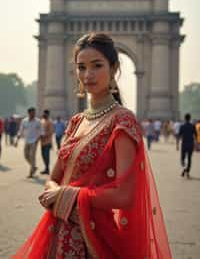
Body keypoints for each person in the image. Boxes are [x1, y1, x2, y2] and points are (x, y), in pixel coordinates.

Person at [13, 33, 172, 258]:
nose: (88, 75)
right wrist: (54, 192)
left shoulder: (123, 121)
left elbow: (125, 195)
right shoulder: (77, 121)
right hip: (56, 235)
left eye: (97, 66)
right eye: (81, 67)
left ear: (114, 68)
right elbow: (54, 178)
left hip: (94, 240)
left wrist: (69, 195)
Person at [15, 107, 43, 178]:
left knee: (32, 156)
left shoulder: (38, 121)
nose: (34, 114)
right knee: (26, 156)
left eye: (34, 112)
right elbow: (20, 131)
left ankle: (31, 173)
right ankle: (33, 166)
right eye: (32, 112)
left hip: (34, 141)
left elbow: (41, 132)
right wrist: (16, 141)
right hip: (27, 141)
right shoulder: (24, 121)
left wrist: (38, 140)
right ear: (29, 113)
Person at [178, 113, 197, 178]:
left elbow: (179, 136)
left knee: (182, 159)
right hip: (190, 144)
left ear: (184, 118)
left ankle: (184, 169)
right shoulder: (192, 126)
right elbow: (196, 135)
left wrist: (177, 145)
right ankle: (187, 171)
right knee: (189, 159)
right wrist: (196, 144)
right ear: (190, 118)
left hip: (184, 144)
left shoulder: (182, 126)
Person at [40, 110, 54, 175]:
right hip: (42, 142)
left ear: (48, 114)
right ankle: (46, 168)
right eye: (44, 113)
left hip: (47, 142)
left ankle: (47, 169)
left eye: (45, 114)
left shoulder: (50, 122)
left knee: (46, 155)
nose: (44, 114)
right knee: (43, 155)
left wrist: (44, 136)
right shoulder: (42, 121)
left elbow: (50, 131)